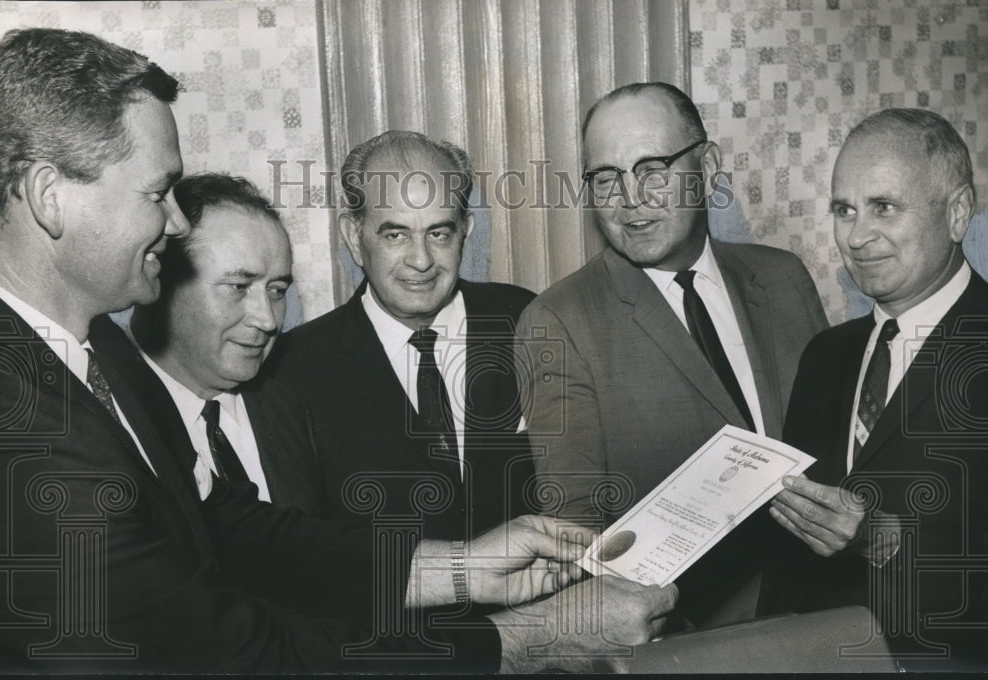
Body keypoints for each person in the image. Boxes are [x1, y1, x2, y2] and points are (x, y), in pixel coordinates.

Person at [0, 28, 677, 673]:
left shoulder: (103, 351)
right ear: (51, 197)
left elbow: (236, 533)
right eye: (158, 191)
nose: (175, 222)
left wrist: (460, 567)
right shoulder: (15, 428)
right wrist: (537, 635)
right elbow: (237, 654)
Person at [518, 82, 828, 627]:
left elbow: (833, 456)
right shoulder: (559, 320)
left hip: (829, 610)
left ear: (706, 166)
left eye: (652, 169)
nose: (629, 198)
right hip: (686, 638)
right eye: (606, 177)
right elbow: (575, 537)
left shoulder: (783, 278)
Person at [767, 108, 988, 670]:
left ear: (957, 212)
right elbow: (789, 559)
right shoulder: (825, 355)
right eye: (845, 210)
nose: (857, 237)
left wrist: (884, 540)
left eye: (884, 207)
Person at [269, 130, 537, 541]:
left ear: (465, 231)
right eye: (395, 235)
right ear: (354, 237)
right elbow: (307, 543)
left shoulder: (526, 319)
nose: (421, 260)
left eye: (438, 233)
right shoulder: (294, 369)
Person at [127, 173, 324, 515]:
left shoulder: (295, 408)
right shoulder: (104, 413)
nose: (268, 320)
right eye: (238, 287)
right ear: (160, 282)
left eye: (277, 291)